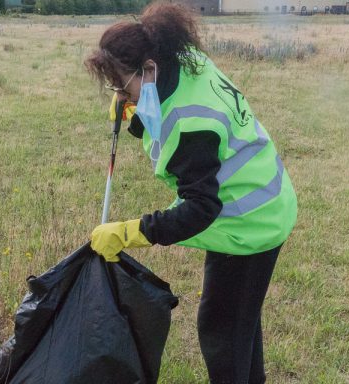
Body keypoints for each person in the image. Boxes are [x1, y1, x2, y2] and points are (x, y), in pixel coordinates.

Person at [85, 3, 298, 383]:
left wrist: (130, 232)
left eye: (122, 84)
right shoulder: (184, 60)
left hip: (251, 221)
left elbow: (200, 207)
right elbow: (161, 105)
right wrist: (135, 116)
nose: (120, 93)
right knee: (240, 320)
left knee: (222, 330)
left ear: (149, 68)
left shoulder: (190, 123)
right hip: (259, 202)